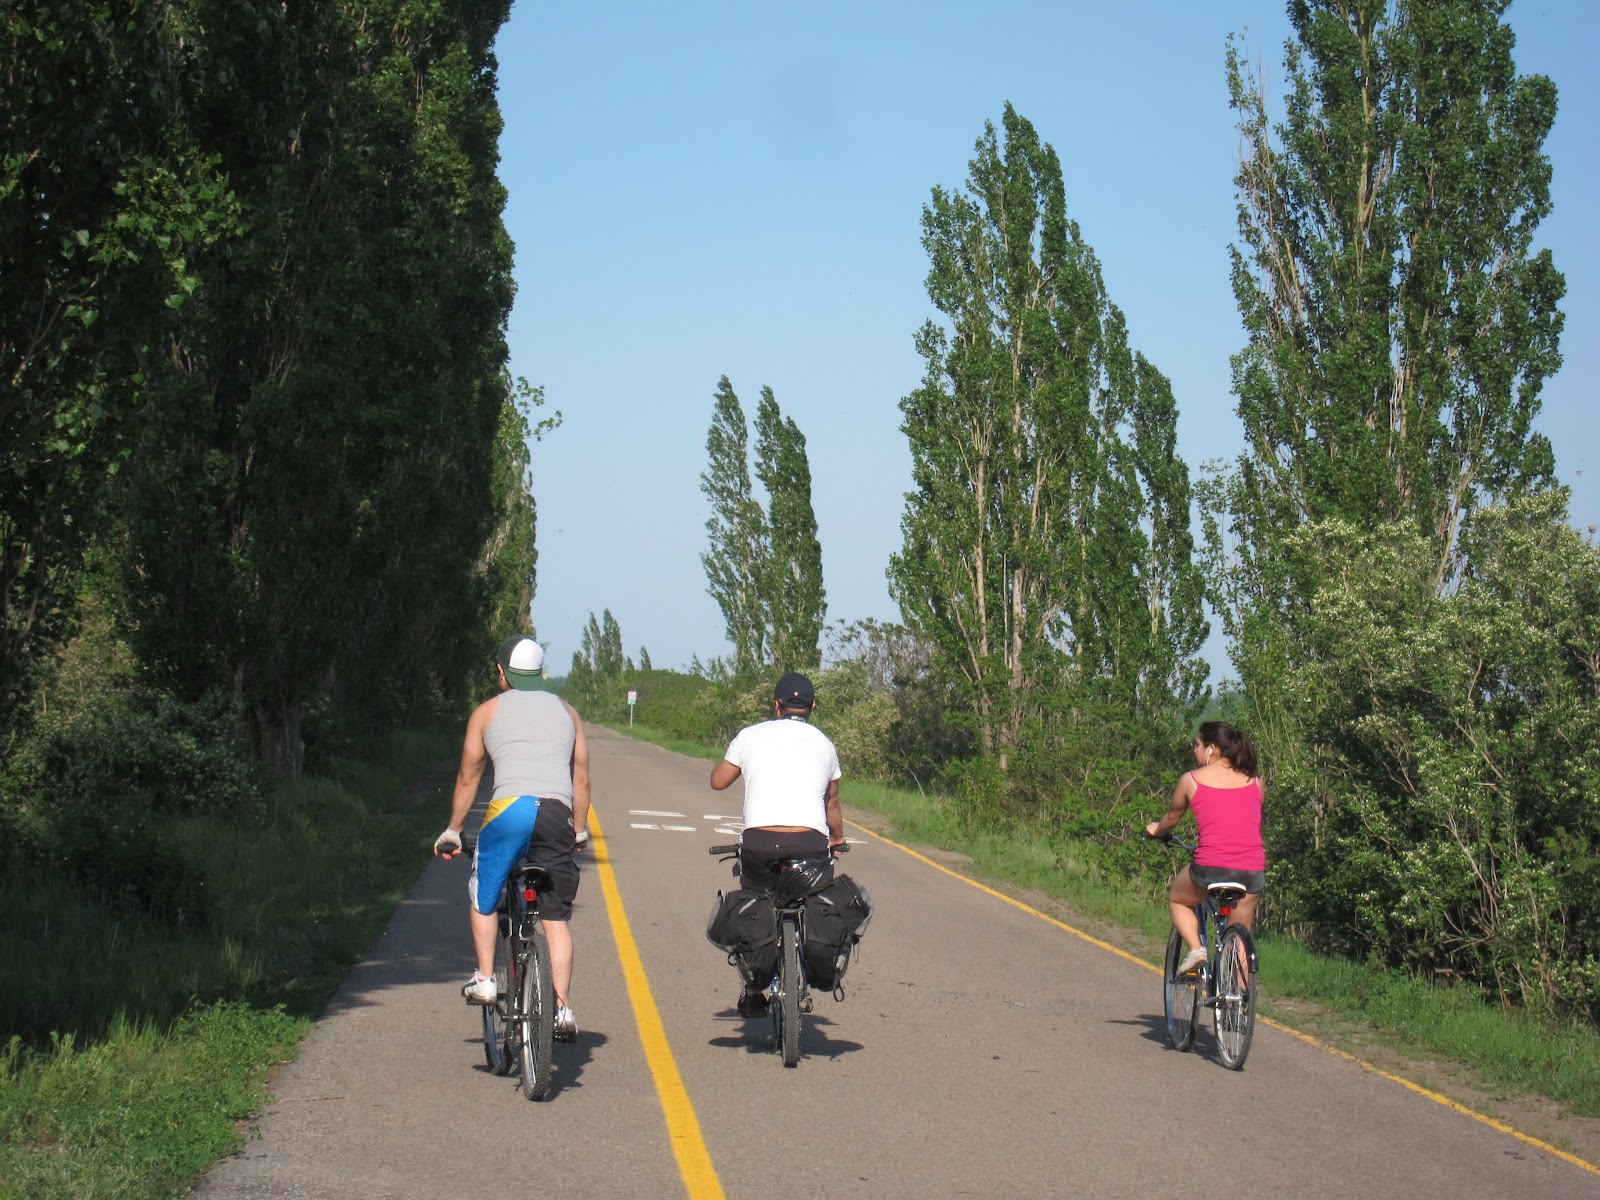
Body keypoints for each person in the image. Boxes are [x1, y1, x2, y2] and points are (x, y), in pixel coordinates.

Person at [434, 636, 590, 1041]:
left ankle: (486, 978)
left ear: (501, 672)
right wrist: (579, 829)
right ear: (541, 672)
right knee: (555, 921)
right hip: (557, 813)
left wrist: (454, 830)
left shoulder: (486, 712)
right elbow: (581, 778)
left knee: (484, 893)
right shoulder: (567, 712)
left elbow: (469, 776)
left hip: (510, 811)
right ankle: (563, 1008)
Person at [710, 671, 845, 1015]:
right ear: (812, 706)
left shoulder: (750, 735)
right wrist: (837, 840)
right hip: (810, 844)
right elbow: (831, 805)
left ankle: (753, 990)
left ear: (776, 705)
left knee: (756, 900)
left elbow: (718, 782)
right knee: (811, 896)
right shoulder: (825, 744)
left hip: (760, 842)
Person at [1145, 720, 1264, 977]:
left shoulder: (1191, 780)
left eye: (1196, 745)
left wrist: (1156, 830)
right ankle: (1241, 1006)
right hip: (1251, 870)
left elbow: (1171, 819)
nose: (1194, 750)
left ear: (1211, 749)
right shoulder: (1255, 781)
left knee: (1177, 899)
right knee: (1241, 935)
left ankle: (1197, 950)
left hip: (1210, 867)